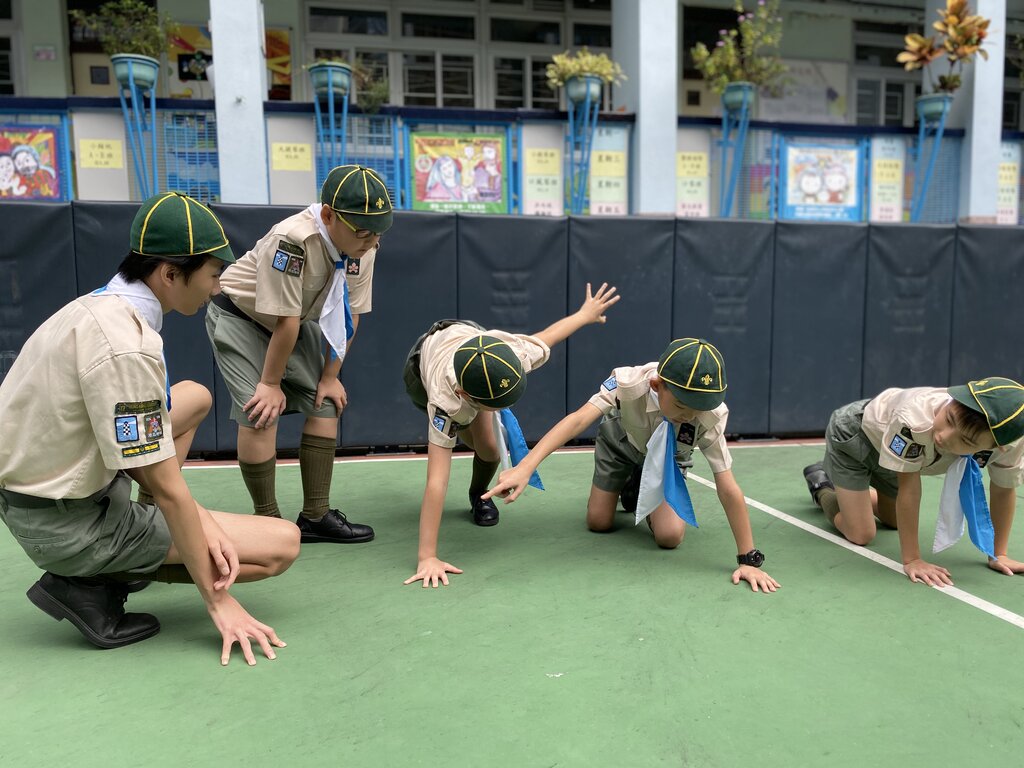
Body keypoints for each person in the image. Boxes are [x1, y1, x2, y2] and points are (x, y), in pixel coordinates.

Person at [0, 192, 299, 664]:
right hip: (70, 525)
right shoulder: (126, 346)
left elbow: (140, 454)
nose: (217, 288)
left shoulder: (95, 306)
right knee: (280, 545)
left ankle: (136, 545)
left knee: (195, 396)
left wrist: (195, 517)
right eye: (213, 274)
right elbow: (166, 486)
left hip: (41, 497)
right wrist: (218, 600)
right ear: (170, 274)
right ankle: (89, 581)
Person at [484, 338, 779, 593]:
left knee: (670, 537)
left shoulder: (711, 414)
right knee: (599, 522)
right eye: (681, 405)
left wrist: (748, 559)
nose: (689, 416)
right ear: (657, 385)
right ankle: (628, 482)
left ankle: (641, 487)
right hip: (620, 445)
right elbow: (577, 420)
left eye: (697, 409)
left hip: (668, 458)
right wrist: (525, 466)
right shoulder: (628, 383)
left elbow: (727, 485)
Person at [205, 164, 391, 544]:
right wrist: (270, 383)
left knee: (326, 404)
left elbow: (351, 314)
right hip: (241, 316)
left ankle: (315, 516)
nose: (371, 240)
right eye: (362, 231)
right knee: (261, 413)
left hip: (294, 321)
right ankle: (267, 522)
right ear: (329, 215)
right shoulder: (292, 240)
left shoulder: (364, 246)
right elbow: (285, 320)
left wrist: (330, 376)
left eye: (378, 231)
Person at [402, 283, 621, 588]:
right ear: (466, 395)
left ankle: (478, 496)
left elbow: (547, 336)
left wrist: (584, 315)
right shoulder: (444, 402)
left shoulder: (511, 355)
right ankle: (466, 427)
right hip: (424, 365)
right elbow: (436, 480)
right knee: (463, 434)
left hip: (476, 343)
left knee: (490, 450)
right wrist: (427, 557)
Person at [803, 378, 1024, 587]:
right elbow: (909, 489)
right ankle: (822, 486)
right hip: (856, 436)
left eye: (965, 440)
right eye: (949, 419)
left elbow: (1003, 490)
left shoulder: (1012, 444)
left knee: (894, 521)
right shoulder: (913, 420)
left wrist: (999, 554)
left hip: (897, 453)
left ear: (999, 447)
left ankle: (852, 497)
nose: (944, 436)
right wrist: (913, 560)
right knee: (861, 534)